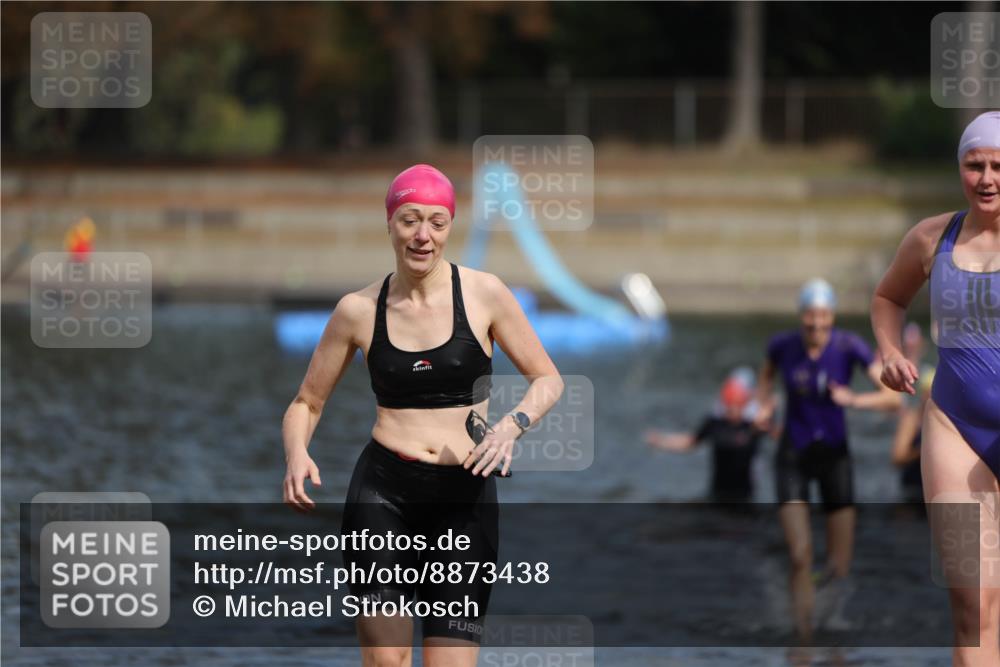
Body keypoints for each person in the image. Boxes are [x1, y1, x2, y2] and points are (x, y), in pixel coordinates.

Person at [281, 164, 564, 667]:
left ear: (450, 226)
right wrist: (297, 453)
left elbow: (548, 380)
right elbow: (307, 402)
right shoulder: (358, 310)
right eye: (410, 220)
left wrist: (512, 426)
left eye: (437, 221)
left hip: (465, 500)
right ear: (390, 223)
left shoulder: (485, 295)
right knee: (388, 662)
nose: (423, 235)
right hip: (383, 495)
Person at [871, 111, 1000, 666]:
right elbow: (887, 300)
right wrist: (892, 352)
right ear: (960, 170)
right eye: (975, 165)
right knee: (974, 608)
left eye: (999, 165)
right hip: (955, 429)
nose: (988, 177)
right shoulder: (932, 237)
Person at [755, 278, 901, 641]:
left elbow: (892, 398)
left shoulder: (849, 347)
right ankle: (803, 640)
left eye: (823, 316)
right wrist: (766, 403)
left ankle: (827, 623)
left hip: (836, 459)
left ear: (832, 316)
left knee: (838, 566)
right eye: (809, 315)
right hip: (792, 456)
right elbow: (767, 374)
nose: (816, 324)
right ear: (801, 315)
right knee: (801, 554)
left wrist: (854, 400)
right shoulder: (782, 346)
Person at [645, 370, 768, 502]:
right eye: (729, 404)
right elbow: (690, 442)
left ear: (744, 403)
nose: (733, 409)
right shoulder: (715, 423)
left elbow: (780, 436)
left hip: (745, 494)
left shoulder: (753, 426)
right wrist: (661, 441)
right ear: (724, 403)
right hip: (718, 492)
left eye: (737, 404)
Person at [891, 366, 935, 503]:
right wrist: (924, 449)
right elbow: (898, 459)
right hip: (913, 489)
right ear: (924, 394)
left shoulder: (951, 419)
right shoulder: (911, 420)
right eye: (930, 393)